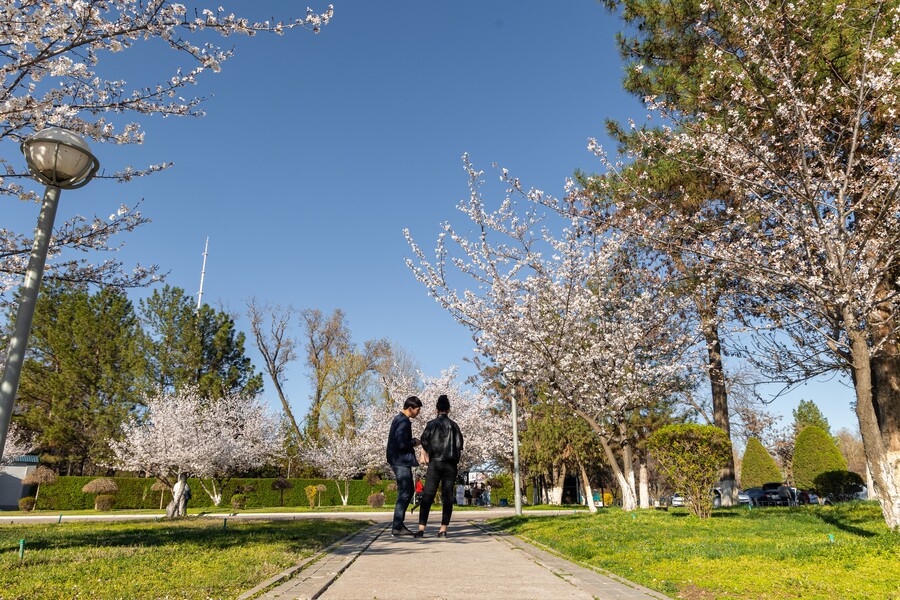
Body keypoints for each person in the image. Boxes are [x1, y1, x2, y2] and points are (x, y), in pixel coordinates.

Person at [414, 394, 464, 539]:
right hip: (450, 464)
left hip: (435, 463)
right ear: (449, 409)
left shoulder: (431, 424)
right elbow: (459, 445)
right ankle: (443, 529)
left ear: (437, 409)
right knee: (447, 496)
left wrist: (427, 453)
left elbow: (424, 440)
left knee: (428, 495)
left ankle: (421, 529)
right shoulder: (454, 426)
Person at [386, 395, 422, 536]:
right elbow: (402, 443)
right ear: (410, 408)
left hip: (397, 459)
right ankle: (397, 526)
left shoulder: (398, 419)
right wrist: (415, 442)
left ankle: (398, 525)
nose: (418, 413)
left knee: (407, 490)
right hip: (400, 461)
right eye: (417, 410)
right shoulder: (403, 422)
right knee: (405, 491)